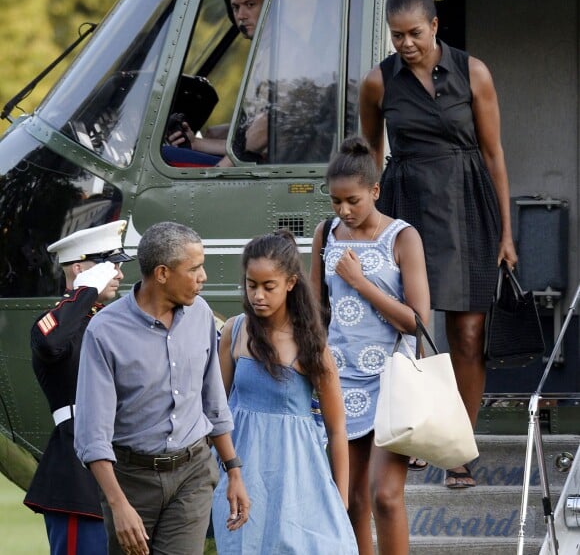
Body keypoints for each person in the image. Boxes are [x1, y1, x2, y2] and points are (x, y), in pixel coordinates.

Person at [359, 0, 518, 489]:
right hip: (407, 208)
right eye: (395, 36)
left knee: (468, 334)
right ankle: (417, 435)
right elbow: (367, 159)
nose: (405, 44)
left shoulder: (474, 73)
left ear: (434, 26)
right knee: (412, 332)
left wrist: (507, 233)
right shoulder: (378, 83)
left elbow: (494, 156)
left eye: (413, 34)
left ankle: (457, 449)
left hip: (470, 206)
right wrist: (366, 227)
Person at [74, 221, 250, 555]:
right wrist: (118, 506)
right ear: (162, 273)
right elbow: (91, 434)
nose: (203, 277)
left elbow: (213, 401)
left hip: (193, 473)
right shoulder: (104, 332)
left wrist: (234, 471)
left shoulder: (200, 315)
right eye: (195, 268)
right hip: (131, 481)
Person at [310, 137, 430, 555]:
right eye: (336, 201)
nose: (343, 210)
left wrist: (360, 282)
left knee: (385, 495)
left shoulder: (403, 237)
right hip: (340, 380)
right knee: (352, 500)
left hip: (390, 380)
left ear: (375, 191)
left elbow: (417, 321)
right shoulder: (325, 233)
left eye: (353, 200)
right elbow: (315, 311)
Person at [212, 231, 358, 554]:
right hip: (241, 471)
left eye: (268, 287)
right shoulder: (234, 331)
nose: (258, 296)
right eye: (251, 285)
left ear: (290, 283)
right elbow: (216, 410)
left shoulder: (311, 348)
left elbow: (337, 429)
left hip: (297, 475)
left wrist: (341, 497)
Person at [23, 220, 133, 555]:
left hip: (124, 467)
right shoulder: (56, 324)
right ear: (79, 269)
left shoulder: (108, 324)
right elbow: (52, 344)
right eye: (109, 266)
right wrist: (83, 291)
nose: (119, 274)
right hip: (77, 476)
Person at [167, 0, 269, 165]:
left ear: (270, 6)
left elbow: (267, 129)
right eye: (236, 7)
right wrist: (196, 143)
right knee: (213, 132)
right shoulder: (264, 52)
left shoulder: (281, 54)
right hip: (257, 156)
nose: (241, 16)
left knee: (165, 156)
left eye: (250, 4)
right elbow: (252, 133)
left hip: (268, 163)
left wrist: (220, 169)